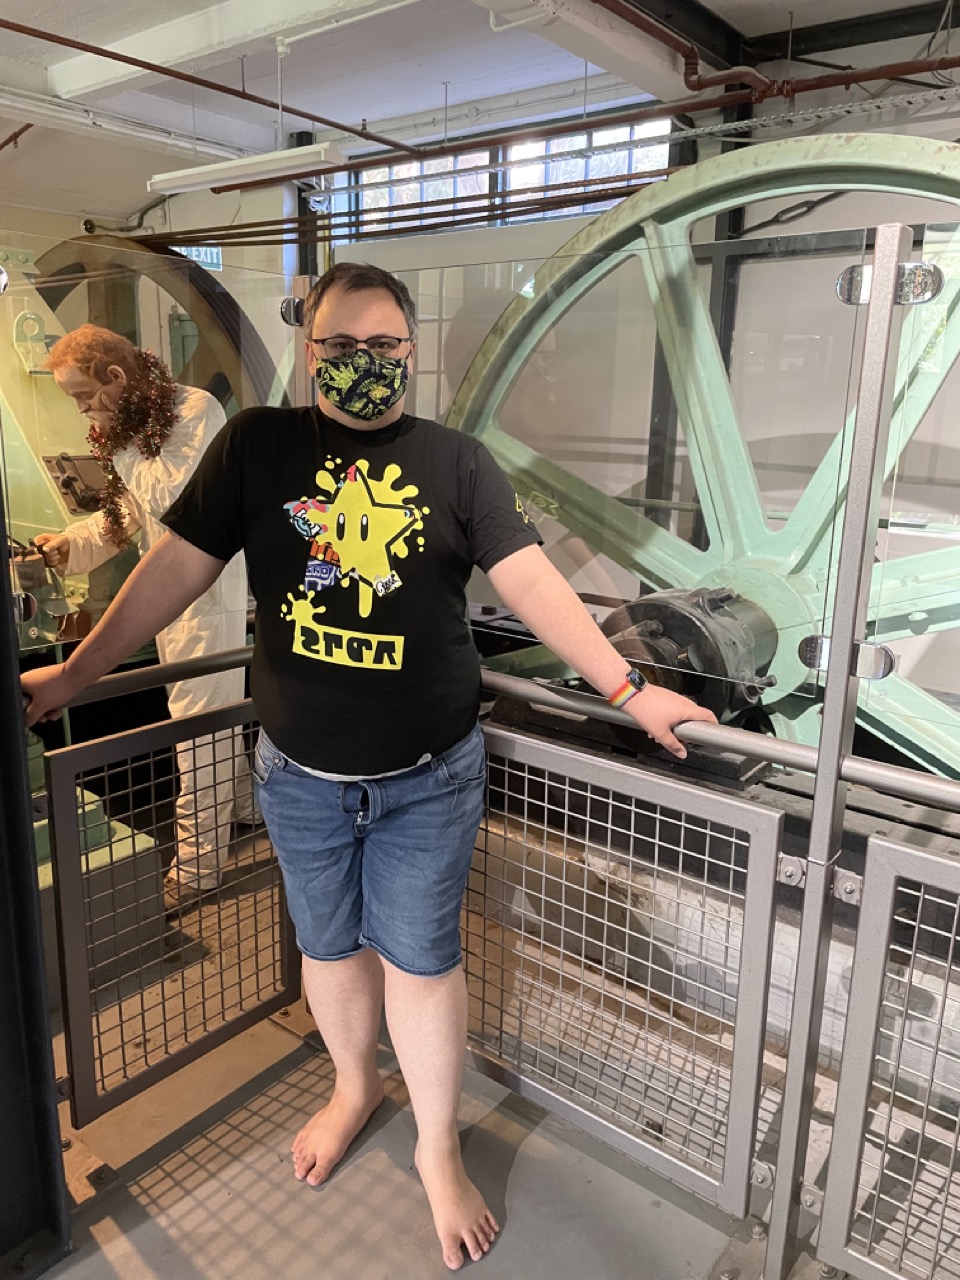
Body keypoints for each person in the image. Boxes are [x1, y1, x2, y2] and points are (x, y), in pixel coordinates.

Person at [22, 265, 716, 1271]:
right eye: (340, 347)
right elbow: (176, 564)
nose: (362, 365)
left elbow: (529, 580)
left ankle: (438, 1145)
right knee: (329, 946)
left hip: (426, 776)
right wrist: (81, 673)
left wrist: (627, 685)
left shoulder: (456, 461)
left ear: (411, 349)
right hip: (300, 775)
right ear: (311, 351)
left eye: (384, 347)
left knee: (424, 960)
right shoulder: (259, 445)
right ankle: (354, 1085)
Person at [34, 325, 253, 912]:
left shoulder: (194, 409)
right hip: (164, 603)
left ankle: (198, 868)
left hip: (206, 598)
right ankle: (247, 815)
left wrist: (121, 442)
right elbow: (124, 515)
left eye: (83, 396)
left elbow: (175, 503)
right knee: (213, 721)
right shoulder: (132, 428)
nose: (81, 410)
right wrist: (72, 545)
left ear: (117, 378)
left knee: (199, 729)